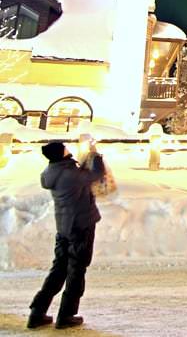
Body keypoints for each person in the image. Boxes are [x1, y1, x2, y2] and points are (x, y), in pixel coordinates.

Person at [28, 141, 105, 330]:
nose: (68, 149)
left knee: (59, 269)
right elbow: (95, 175)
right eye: (65, 148)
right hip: (81, 226)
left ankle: (37, 312)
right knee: (77, 269)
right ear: (61, 153)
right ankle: (67, 315)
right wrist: (97, 158)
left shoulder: (52, 172)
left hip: (64, 228)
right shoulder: (70, 174)